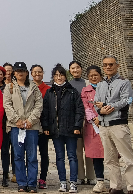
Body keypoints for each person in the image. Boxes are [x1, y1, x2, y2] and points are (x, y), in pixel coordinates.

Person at [94, 55, 133, 194]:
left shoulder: (124, 82)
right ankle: (116, 186)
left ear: (117, 66)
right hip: (104, 125)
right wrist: (100, 110)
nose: (108, 67)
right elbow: (96, 103)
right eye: (105, 65)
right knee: (110, 159)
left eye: (111, 64)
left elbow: (127, 100)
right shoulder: (100, 84)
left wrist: (109, 106)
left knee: (127, 157)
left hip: (118, 124)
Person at [42, 64, 85, 193]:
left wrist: (77, 125)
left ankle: (73, 182)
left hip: (71, 129)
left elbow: (79, 110)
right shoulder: (50, 92)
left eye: (61, 75)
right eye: (56, 75)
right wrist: (46, 126)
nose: (59, 77)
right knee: (59, 157)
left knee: (72, 156)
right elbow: (45, 111)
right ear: (53, 77)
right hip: (56, 130)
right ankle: (62, 182)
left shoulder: (72, 91)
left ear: (65, 76)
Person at [3, 62, 43, 193]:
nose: (20, 73)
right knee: (18, 156)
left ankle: (32, 183)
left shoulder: (34, 87)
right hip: (16, 127)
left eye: (22, 71)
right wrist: (17, 120)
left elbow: (39, 105)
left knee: (32, 156)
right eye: (17, 71)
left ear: (27, 73)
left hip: (32, 126)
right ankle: (21, 183)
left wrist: (31, 120)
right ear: (14, 73)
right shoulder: (9, 87)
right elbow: (7, 105)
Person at [68, 60, 95, 185]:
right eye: (73, 68)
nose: (75, 70)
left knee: (90, 148)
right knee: (77, 150)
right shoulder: (68, 85)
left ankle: (91, 176)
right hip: (75, 121)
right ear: (70, 71)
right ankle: (80, 176)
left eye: (77, 67)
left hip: (89, 120)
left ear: (81, 69)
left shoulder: (88, 83)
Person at [81, 66, 106, 193]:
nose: (93, 77)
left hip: (107, 123)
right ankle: (100, 181)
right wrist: (94, 118)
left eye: (96, 75)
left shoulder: (107, 87)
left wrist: (100, 118)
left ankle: (115, 181)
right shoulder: (85, 91)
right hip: (93, 127)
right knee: (96, 155)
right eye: (91, 76)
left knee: (110, 154)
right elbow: (85, 106)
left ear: (100, 75)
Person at [31, 64, 51, 190]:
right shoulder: (28, 88)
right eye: (35, 72)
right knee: (30, 154)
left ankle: (43, 178)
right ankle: (31, 177)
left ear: (43, 73)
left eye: (39, 72)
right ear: (31, 74)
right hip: (31, 125)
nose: (37, 74)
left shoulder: (48, 89)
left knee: (44, 153)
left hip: (44, 126)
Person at [0, 64, 13, 187]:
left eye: (0, 74)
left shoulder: (9, 88)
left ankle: (5, 175)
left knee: (5, 150)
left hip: (5, 122)